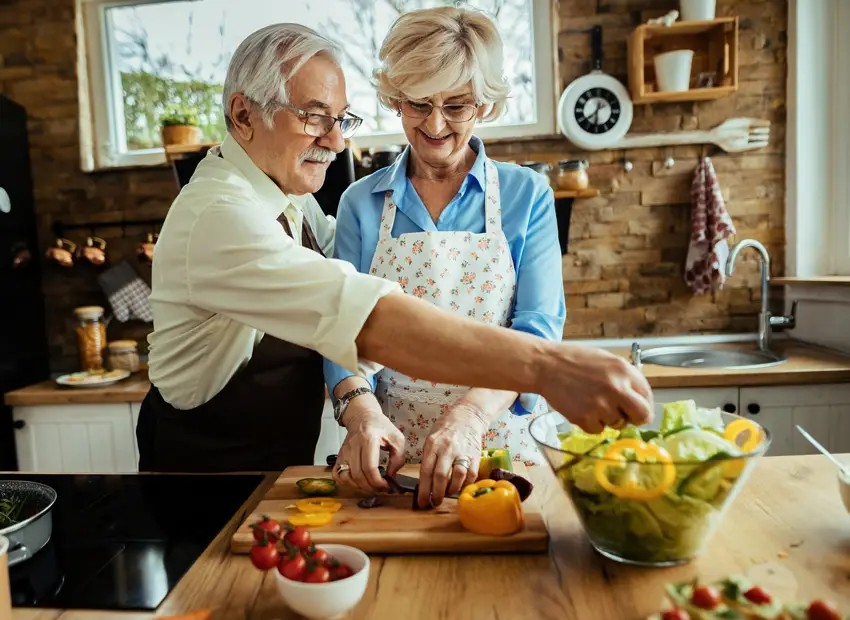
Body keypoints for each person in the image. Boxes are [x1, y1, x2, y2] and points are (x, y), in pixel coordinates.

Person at [136, 22, 653, 485]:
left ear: (485, 106)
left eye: (341, 119)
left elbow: (533, 318)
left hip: (288, 468)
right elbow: (361, 318)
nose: (337, 143)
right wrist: (548, 369)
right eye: (315, 117)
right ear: (243, 115)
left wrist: (474, 413)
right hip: (204, 479)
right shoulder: (223, 216)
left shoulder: (293, 202)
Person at [324, 6, 567, 507]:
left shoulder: (527, 195)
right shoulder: (361, 204)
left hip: (498, 448)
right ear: (395, 99)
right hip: (392, 455)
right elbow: (339, 333)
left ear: (486, 105)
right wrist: (361, 414)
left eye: (456, 106)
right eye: (417, 104)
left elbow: (537, 332)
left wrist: (469, 418)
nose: (434, 125)